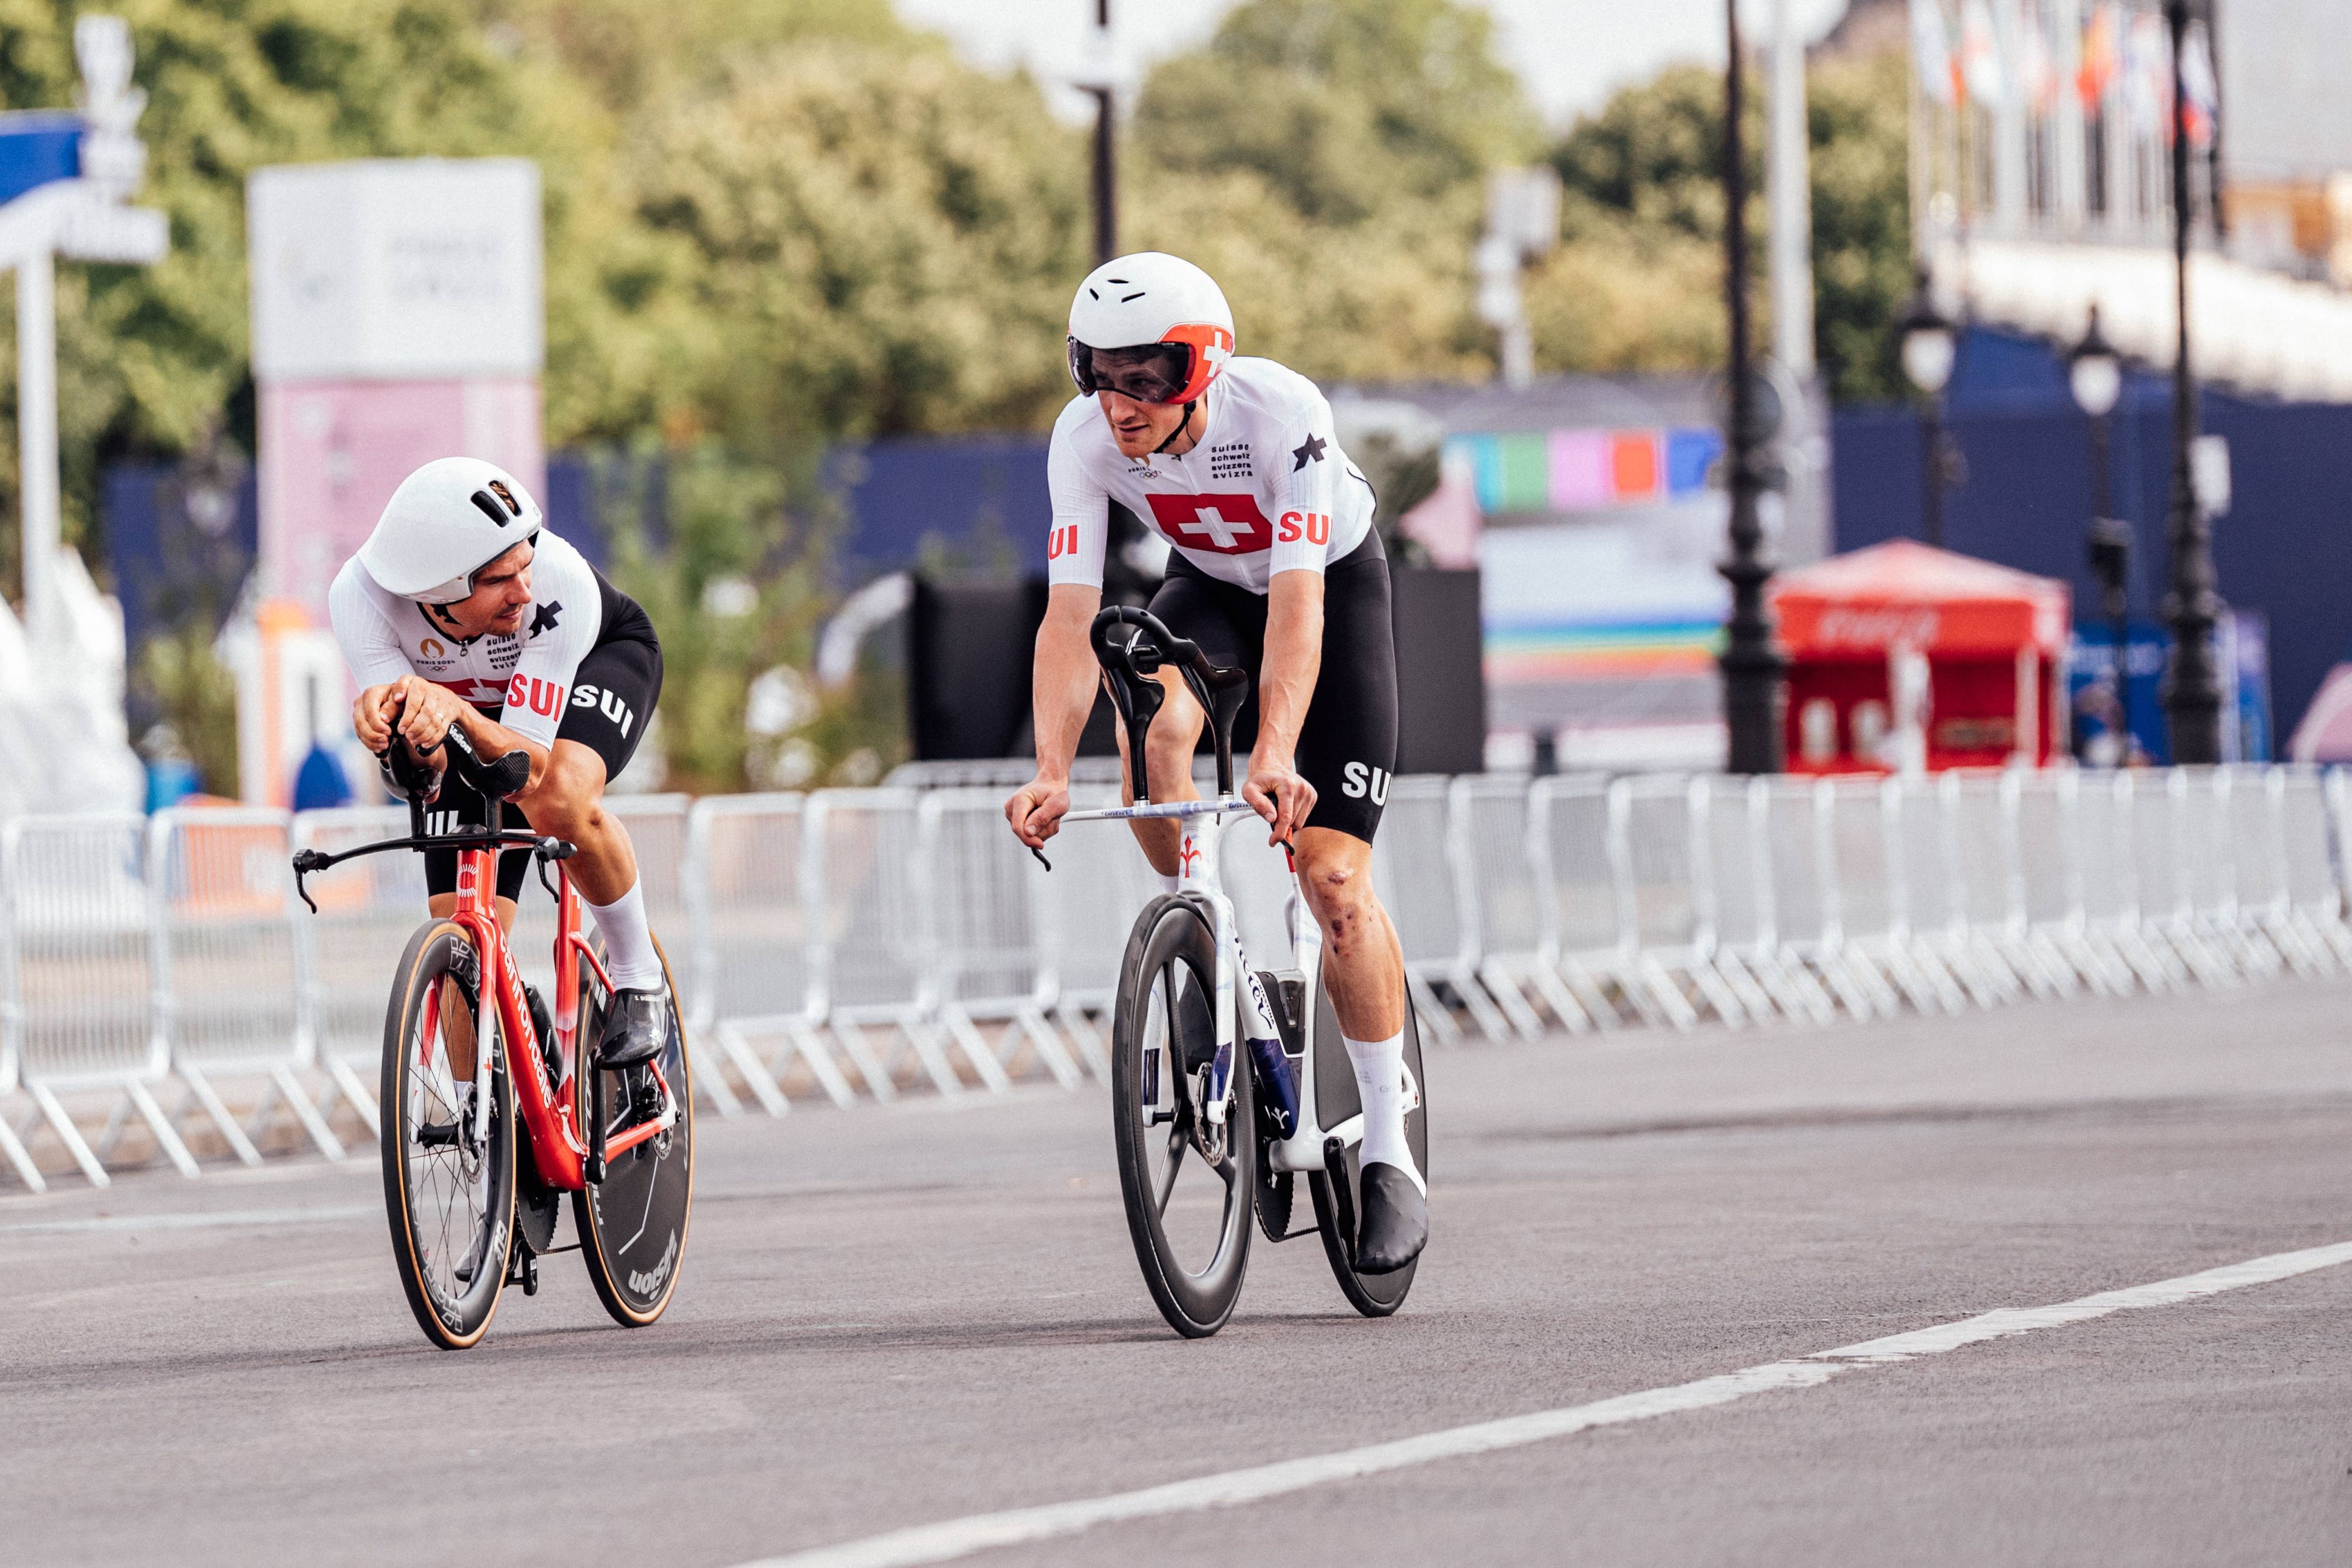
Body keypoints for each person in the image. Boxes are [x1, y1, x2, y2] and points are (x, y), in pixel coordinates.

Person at [1004, 252, 1425, 1272]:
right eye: (1097, 372)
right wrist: (1051, 764)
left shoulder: (1283, 418)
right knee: (1150, 728)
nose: (1120, 402)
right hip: (1206, 587)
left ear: (1203, 367)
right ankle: (1197, 929)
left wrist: (1276, 753)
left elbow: (1298, 608)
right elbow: (1068, 615)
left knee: (1332, 876)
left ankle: (1389, 1140)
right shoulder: (1084, 439)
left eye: (1148, 376)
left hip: (1323, 589)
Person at [328, 456, 672, 1074]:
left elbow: (529, 774)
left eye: (525, 563)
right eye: (498, 580)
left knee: (563, 802)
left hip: (593, 667)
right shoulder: (360, 599)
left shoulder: (557, 584)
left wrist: (452, 710)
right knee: (461, 963)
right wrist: (390, 736)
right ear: (433, 592)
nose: (524, 591)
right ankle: (506, 1084)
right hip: (474, 712)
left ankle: (638, 976)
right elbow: (425, 772)